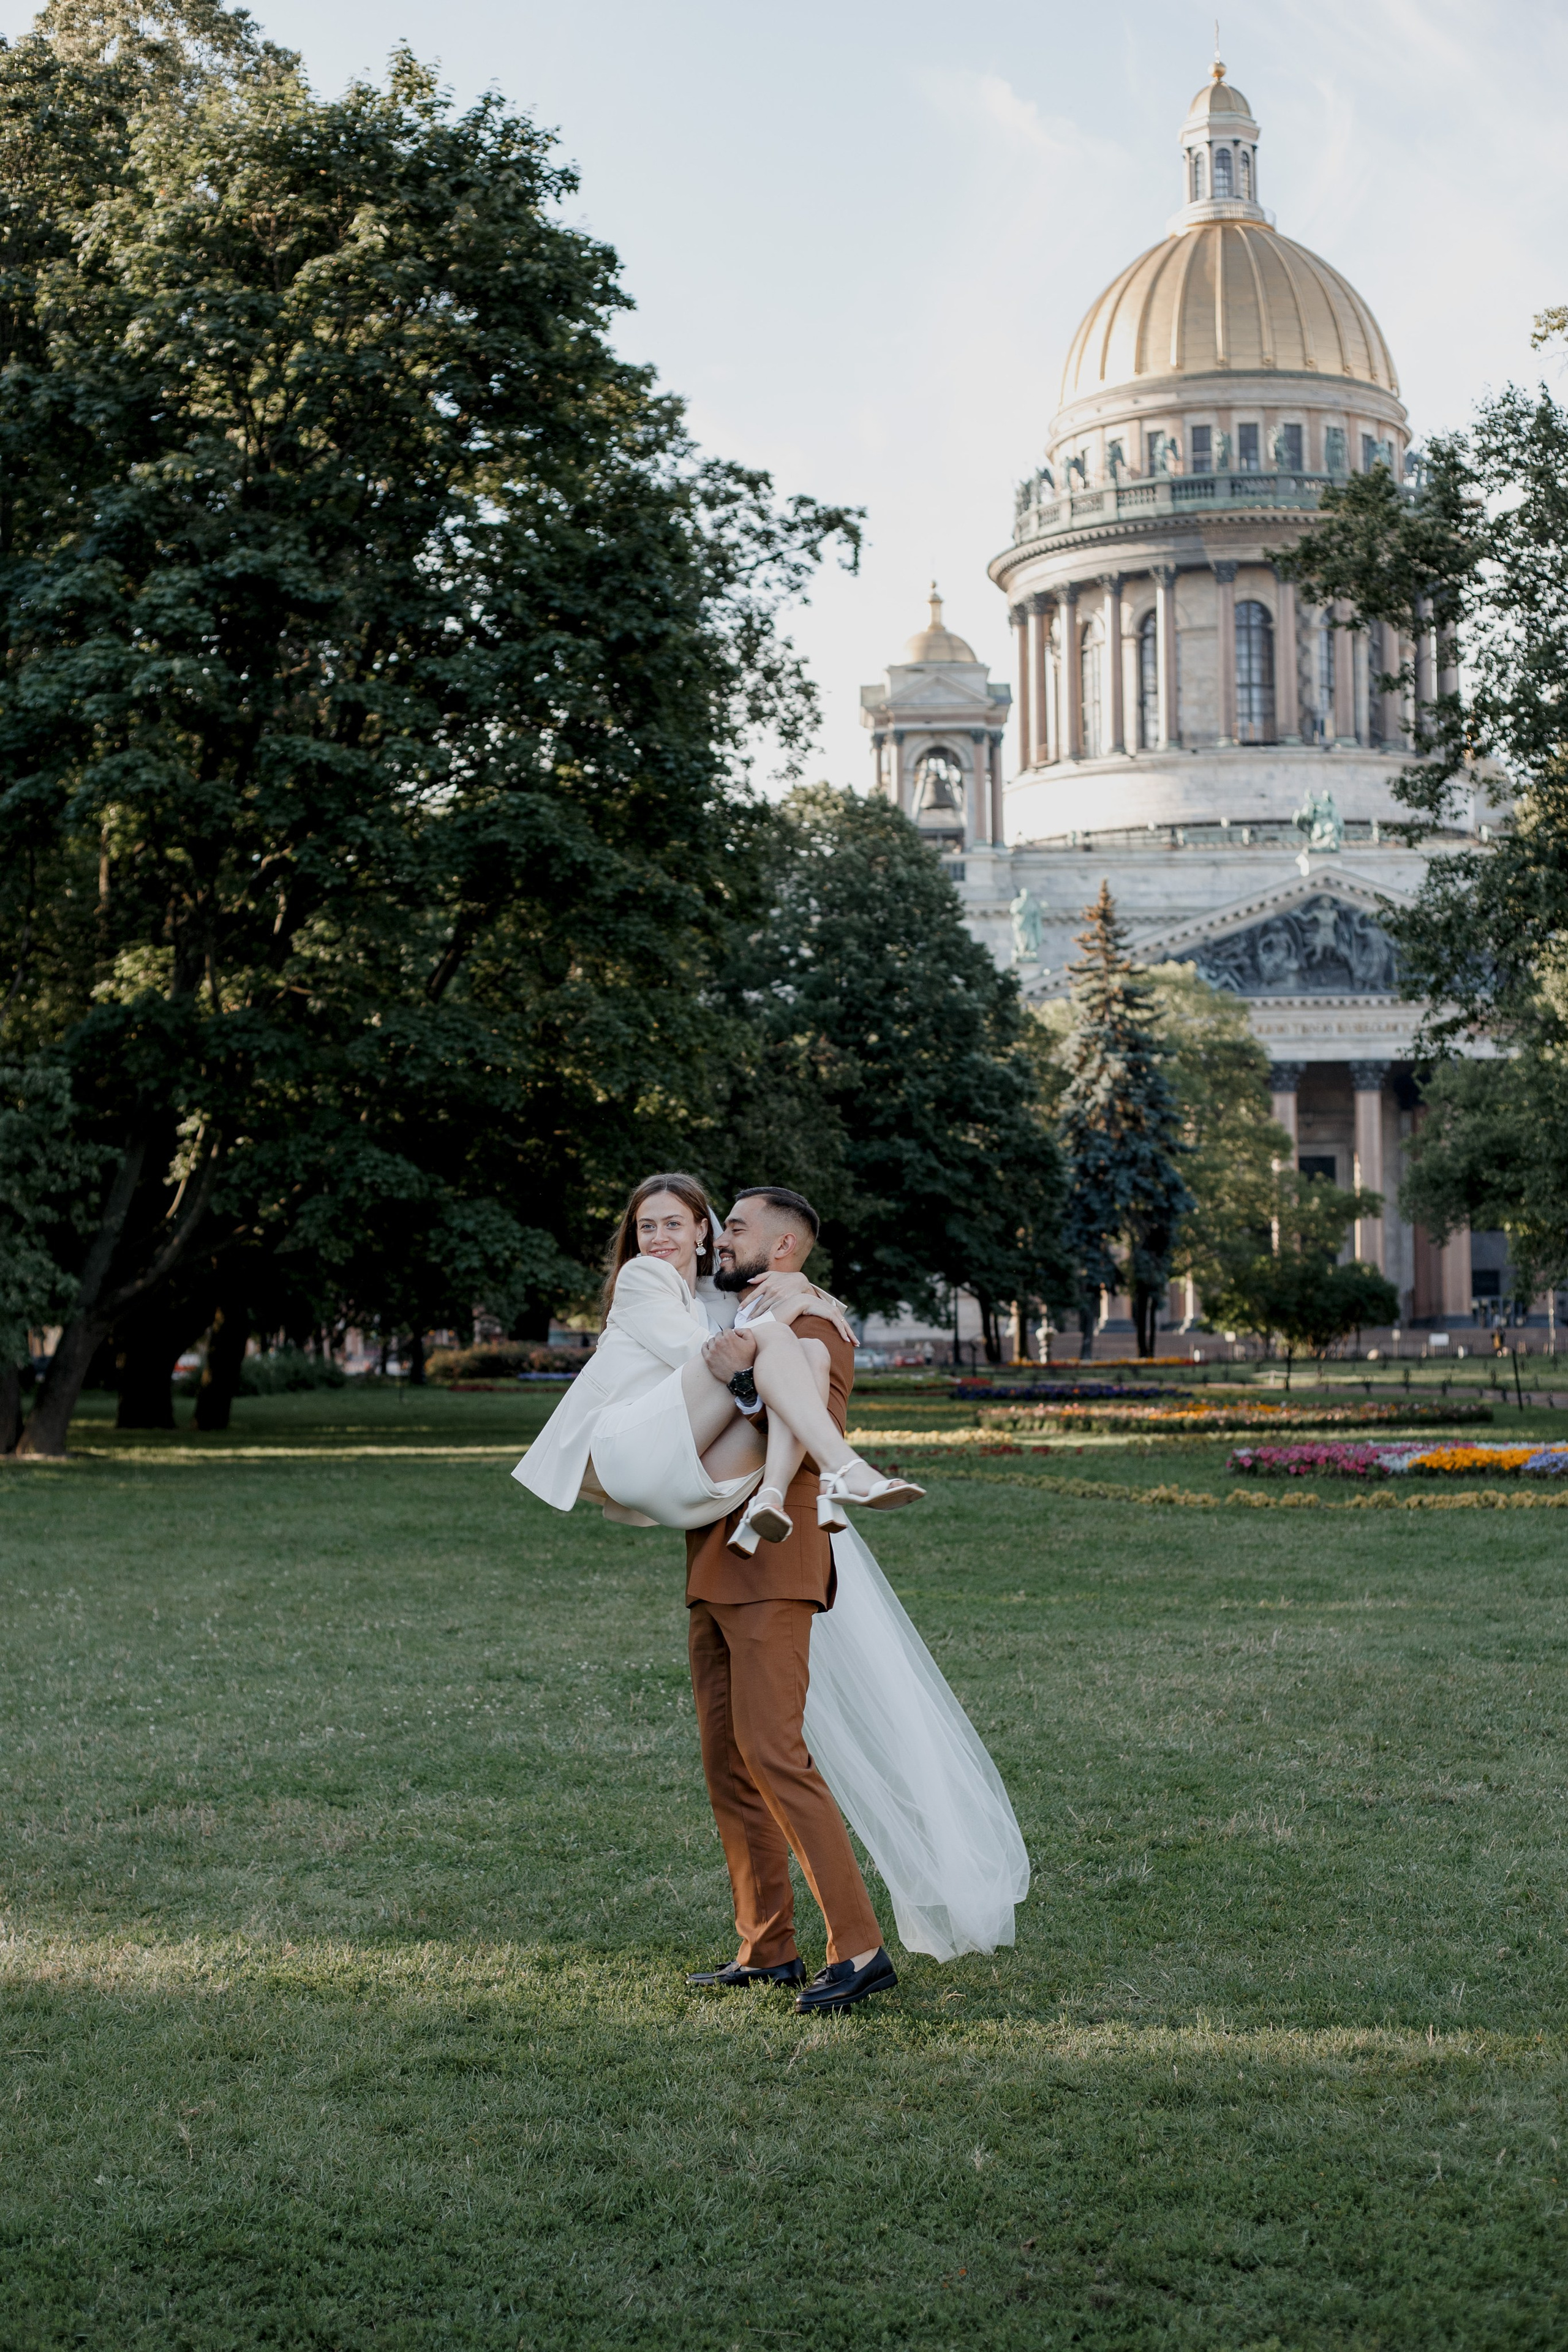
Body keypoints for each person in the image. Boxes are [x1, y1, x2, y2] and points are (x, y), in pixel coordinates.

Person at [513, 1171, 923, 1540]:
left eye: (673, 1224)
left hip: (687, 1477)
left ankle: (772, 1496)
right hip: (630, 1449)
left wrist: (798, 1283)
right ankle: (844, 1467)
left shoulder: (718, 1297)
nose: (658, 1238)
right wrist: (796, 1301)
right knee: (774, 1336)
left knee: (811, 1351)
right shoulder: (641, 1275)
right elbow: (710, 1354)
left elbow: (761, 1306)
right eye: (646, 1227)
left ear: (701, 1230)